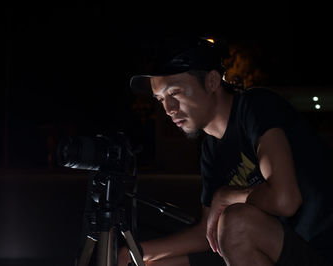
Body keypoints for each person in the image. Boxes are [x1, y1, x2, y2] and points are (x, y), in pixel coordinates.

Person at [118, 38, 333, 265]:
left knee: (236, 222)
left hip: (322, 248)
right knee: (159, 264)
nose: (169, 109)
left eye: (175, 92)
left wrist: (227, 195)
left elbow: (285, 200)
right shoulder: (211, 149)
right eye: (161, 99)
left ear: (211, 81)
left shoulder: (255, 108)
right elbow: (207, 232)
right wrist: (135, 252)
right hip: (287, 250)